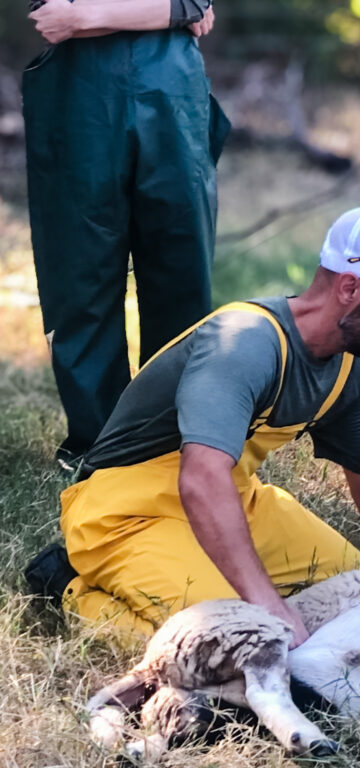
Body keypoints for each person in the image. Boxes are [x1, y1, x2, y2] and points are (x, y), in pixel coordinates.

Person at [54, 205, 360, 647]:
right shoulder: (244, 343)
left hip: (234, 501)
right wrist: (268, 605)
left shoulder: (346, 368)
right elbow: (201, 479)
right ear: (350, 288)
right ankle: (70, 589)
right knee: (235, 633)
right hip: (126, 515)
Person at [25, 0, 230, 469]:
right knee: (81, 275)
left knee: (180, 273)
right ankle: (97, 446)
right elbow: (49, 16)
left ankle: (166, 440)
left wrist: (83, 17)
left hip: (172, 98)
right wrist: (163, 16)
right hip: (78, 101)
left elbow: (193, 4)